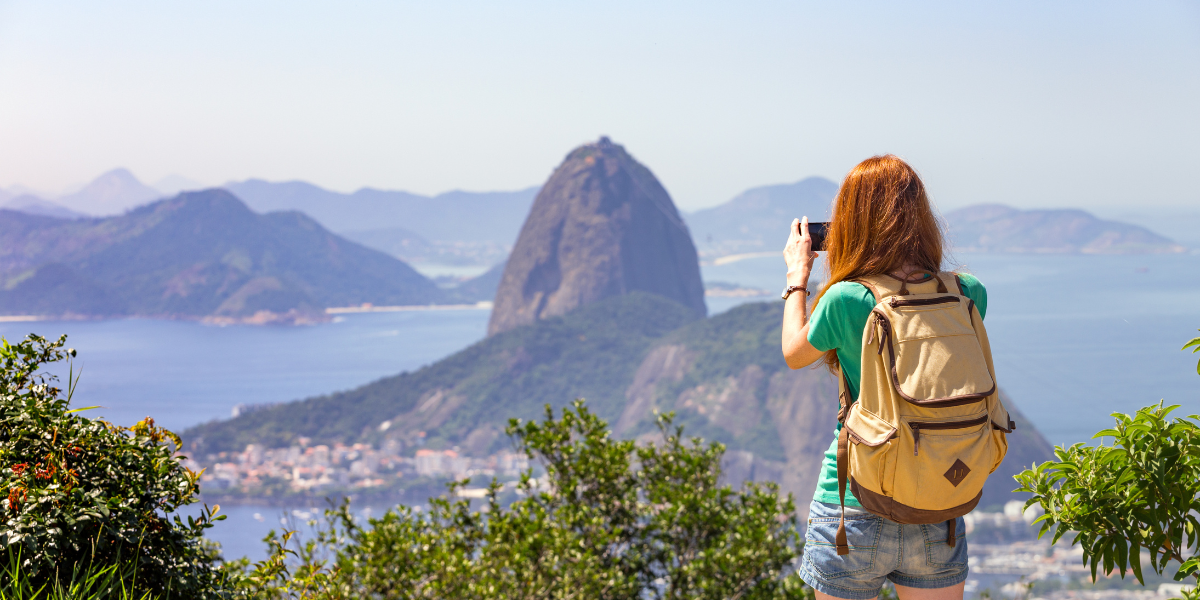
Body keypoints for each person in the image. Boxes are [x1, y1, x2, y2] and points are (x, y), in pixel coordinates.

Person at [780, 155, 987, 600]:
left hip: (853, 503)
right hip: (939, 494)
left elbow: (793, 354)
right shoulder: (967, 292)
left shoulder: (847, 299)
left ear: (852, 222)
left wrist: (799, 277)